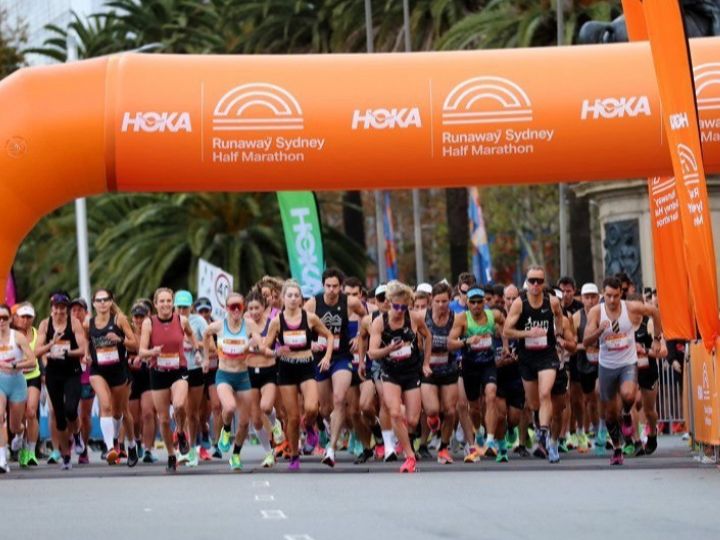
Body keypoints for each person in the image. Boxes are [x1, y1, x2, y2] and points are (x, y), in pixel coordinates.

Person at [583, 276, 662, 465]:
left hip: (628, 362)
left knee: (628, 395)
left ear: (621, 294)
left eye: (616, 296)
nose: (612, 300)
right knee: (610, 413)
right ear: (603, 294)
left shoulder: (630, 307)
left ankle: (626, 413)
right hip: (607, 365)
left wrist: (657, 339)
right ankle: (617, 448)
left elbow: (654, 311)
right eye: (608, 296)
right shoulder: (596, 312)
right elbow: (586, 341)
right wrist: (599, 331)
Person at [263, 280, 333, 470]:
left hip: (306, 367)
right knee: (292, 417)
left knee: (312, 408)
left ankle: (309, 425)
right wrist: (276, 352)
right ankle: (294, 455)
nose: (293, 299)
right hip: (286, 370)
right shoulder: (277, 321)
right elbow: (265, 348)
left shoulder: (309, 318)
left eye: (296, 295)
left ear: (301, 299)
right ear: (283, 298)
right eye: (290, 295)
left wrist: (327, 357)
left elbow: (329, 335)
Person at [304, 268, 367, 468]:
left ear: (340, 286)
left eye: (335, 286)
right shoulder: (313, 303)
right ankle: (328, 428)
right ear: (323, 286)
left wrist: (359, 336)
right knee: (325, 409)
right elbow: (299, 324)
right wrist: (310, 343)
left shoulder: (350, 302)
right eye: (328, 286)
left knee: (340, 399)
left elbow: (365, 317)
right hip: (320, 358)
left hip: (341, 357)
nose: (331, 290)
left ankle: (331, 449)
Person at [368, 280, 432, 473]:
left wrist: (426, 363)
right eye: (396, 306)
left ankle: (404, 433)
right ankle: (409, 456)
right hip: (390, 371)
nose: (399, 311)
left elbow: (428, 337)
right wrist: (389, 349)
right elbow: (372, 353)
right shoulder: (380, 322)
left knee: (412, 420)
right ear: (389, 303)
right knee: (394, 413)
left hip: (411, 371)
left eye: (404, 307)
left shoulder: (414, 318)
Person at [503, 267, 564, 461]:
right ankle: (541, 426)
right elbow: (507, 331)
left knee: (545, 393)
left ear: (544, 283)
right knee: (533, 403)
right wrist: (528, 333)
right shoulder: (519, 304)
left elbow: (559, 316)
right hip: (527, 357)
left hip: (547, 355)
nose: (535, 284)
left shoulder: (552, 302)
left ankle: (545, 433)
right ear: (526, 282)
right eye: (532, 281)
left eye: (539, 281)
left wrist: (559, 335)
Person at [139, 287, 200, 473]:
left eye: (168, 301)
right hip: (158, 372)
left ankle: (180, 432)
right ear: (155, 304)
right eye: (162, 301)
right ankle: (171, 455)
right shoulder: (149, 323)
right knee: (164, 419)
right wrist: (152, 352)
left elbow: (191, 334)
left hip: (178, 370)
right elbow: (142, 351)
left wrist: (197, 350)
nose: (165, 304)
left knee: (180, 404)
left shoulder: (181, 320)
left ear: (172, 303)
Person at [449, 287, 507, 462]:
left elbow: (504, 324)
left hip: (488, 364)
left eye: (479, 302)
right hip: (470, 366)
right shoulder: (462, 319)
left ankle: (490, 440)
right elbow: (450, 343)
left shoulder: (493, 315)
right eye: (472, 302)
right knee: (474, 408)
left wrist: (505, 345)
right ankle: (479, 433)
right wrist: (467, 341)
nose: (476, 305)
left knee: (491, 396)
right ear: (467, 303)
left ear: (484, 302)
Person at [85, 289, 139, 466]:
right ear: (93, 303)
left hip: (118, 370)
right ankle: (110, 448)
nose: (102, 303)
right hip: (98, 370)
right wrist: (86, 354)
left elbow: (135, 344)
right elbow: (86, 341)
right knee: (106, 405)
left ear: (111, 301)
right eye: (99, 300)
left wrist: (119, 339)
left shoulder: (119, 320)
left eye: (105, 300)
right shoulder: (88, 323)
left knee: (121, 412)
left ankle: (131, 445)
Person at [34, 292, 87, 470]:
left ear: (67, 309)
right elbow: (36, 351)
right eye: (56, 307)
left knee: (71, 410)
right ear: (52, 308)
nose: (59, 311)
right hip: (53, 374)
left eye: (63, 308)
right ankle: (66, 456)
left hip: (72, 372)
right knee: (59, 417)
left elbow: (83, 350)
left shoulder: (74, 323)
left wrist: (66, 352)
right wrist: (51, 345)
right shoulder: (45, 324)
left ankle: (77, 435)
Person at [421, 282, 460, 464]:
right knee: (432, 410)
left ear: (450, 300)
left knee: (450, 411)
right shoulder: (423, 317)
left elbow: (460, 339)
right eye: (437, 301)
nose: (441, 305)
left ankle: (443, 448)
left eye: (444, 301)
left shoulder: (455, 318)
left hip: (449, 368)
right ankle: (433, 420)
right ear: (431, 300)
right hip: (428, 369)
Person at [244, 289, 281, 468]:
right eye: (250, 308)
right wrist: (249, 347)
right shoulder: (243, 325)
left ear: (263, 307)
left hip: (269, 370)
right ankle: (268, 452)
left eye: (257, 308)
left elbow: (275, 345)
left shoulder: (272, 323)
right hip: (249, 372)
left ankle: (275, 423)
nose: (254, 312)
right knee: (256, 420)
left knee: (266, 407)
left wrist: (261, 348)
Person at [0, 304, 36, 473]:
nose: (1, 321)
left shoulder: (18, 337)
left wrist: (14, 365)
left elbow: (32, 361)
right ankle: (2, 460)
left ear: (11, 320)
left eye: (4, 318)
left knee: (15, 426)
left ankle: (20, 435)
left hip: (17, 382)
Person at [173, 290, 207, 468]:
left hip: (195, 369)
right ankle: (182, 447)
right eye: (179, 307)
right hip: (178, 370)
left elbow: (209, 343)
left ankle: (192, 448)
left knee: (193, 413)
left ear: (191, 307)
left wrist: (194, 344)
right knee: (181, 408)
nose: (181, 310)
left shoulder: (198, 321)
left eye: (185, 307)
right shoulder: (170, 321)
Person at [572, 283, 601, 453]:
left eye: (593, 297)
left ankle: (604, 429)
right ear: (582, 299)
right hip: (584, 363)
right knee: (590, 400)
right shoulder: (577, 317)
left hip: (604, 361)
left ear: (598, 298)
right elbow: (572, 344)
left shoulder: (605, 314)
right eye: (587, 297)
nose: (590, 301)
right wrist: (587, 346)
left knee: (600, 393)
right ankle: (595, 430)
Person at [127, 302, 158, 463]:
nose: (139, 320)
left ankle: (148, 450)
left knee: (148, 413)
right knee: (134, 418)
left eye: (142, 317)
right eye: (136, 317)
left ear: (148, 317)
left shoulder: (153, 333)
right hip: (131, 377)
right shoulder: (127, 335)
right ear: (132, 319)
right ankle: (137, 441)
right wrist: (130, 361)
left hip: (148, 376)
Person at [14, 303, 41, 467]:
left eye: (28, 317)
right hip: (16, 379)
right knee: (20, 417)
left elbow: (41, 353)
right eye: (23, 317)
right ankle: (22, 444)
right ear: (17, 318)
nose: (25, 320)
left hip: (33, 376)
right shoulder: (11, 335)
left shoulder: (38, 334)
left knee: (31, 412)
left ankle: (31, 451)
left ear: (33, 318)